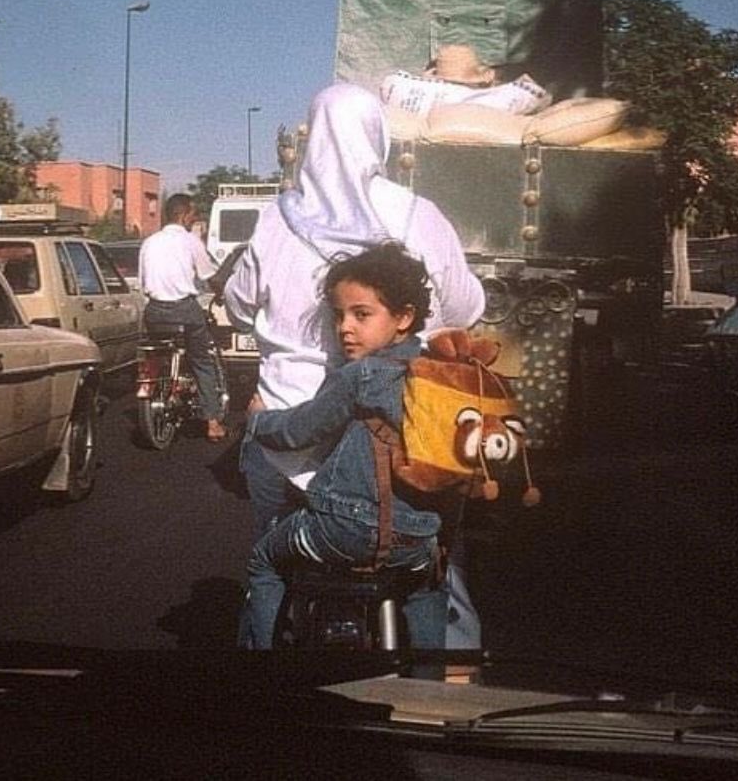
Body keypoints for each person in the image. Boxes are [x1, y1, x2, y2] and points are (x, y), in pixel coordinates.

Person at [224, 82, 486, 643]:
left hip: (284, 434)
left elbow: (238, 304)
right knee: (438, 562)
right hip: (397, 446)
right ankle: (446, 684)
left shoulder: (276, 218)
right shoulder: (418, 214)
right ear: (378, 139)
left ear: (311, 136)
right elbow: (463, 308)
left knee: (270, 556)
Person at [243, 243, 448, 649]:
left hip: (342, 527)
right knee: (429, 589)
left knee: (263, 561)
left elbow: (300, 430)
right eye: (338, 315)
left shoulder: (364, 375)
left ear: (404, 317)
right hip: (416, 541)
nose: (345, 327)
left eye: (362, 314)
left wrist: (257, 421)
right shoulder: (438, 376)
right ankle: (430, 689)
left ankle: (256, 671)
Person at [139, 193, 227, 441]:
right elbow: (210, 275)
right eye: (194, 214)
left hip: (155, 312)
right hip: (184, 310)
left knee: (155, 353)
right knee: (202, 361)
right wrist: (220, 293)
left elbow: (145, 282)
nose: (194, 218)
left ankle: (158, 380)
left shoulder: (149, 242)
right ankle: (212, 422)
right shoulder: (190, 242)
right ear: (185, 214)